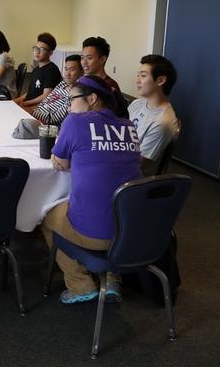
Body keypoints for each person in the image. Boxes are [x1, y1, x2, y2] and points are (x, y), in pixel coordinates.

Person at [43, 75, 141, 304]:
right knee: (108, 204)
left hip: (96, 233)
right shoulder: (129, 126)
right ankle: (112, 278)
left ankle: (80, 285)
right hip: (133, 230)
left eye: (71, 100)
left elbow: (61, 162)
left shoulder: (76, 122)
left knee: (47, 218)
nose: (68, 107)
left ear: (93, 98)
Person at [129, 54, 180, 176]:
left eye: (143, 76)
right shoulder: (138, 103)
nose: (137, 80)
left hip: (134, 179)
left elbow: (138, 164)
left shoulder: (163, 122)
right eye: (138, 75)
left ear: (160, 80)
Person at [81, 36, 128, 118]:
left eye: (89, 58)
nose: (84, 62)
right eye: (82, 58)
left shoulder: (109, 85)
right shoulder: (84, 82)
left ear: (102, 59)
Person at [15, 32, 62, 113]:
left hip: (39, 108)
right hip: (28, 104)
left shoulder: (51, 70)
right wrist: (17, 100)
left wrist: (25, 104)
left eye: (42, 49)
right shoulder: (36, 69)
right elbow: (30, 92)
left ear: (50, 53)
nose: (37, 52)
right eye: (36, 48)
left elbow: (46, 96)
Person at [31, 54, 83, 126]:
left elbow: (54, 119)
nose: (67, 73)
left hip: (47, 127)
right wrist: (32, 110)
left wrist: (31, 112)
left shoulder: (75, 94)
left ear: (82, 72)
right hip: (35, 117)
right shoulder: (63, 83)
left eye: (72, 70)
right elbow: (45, 102)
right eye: (66, 69)